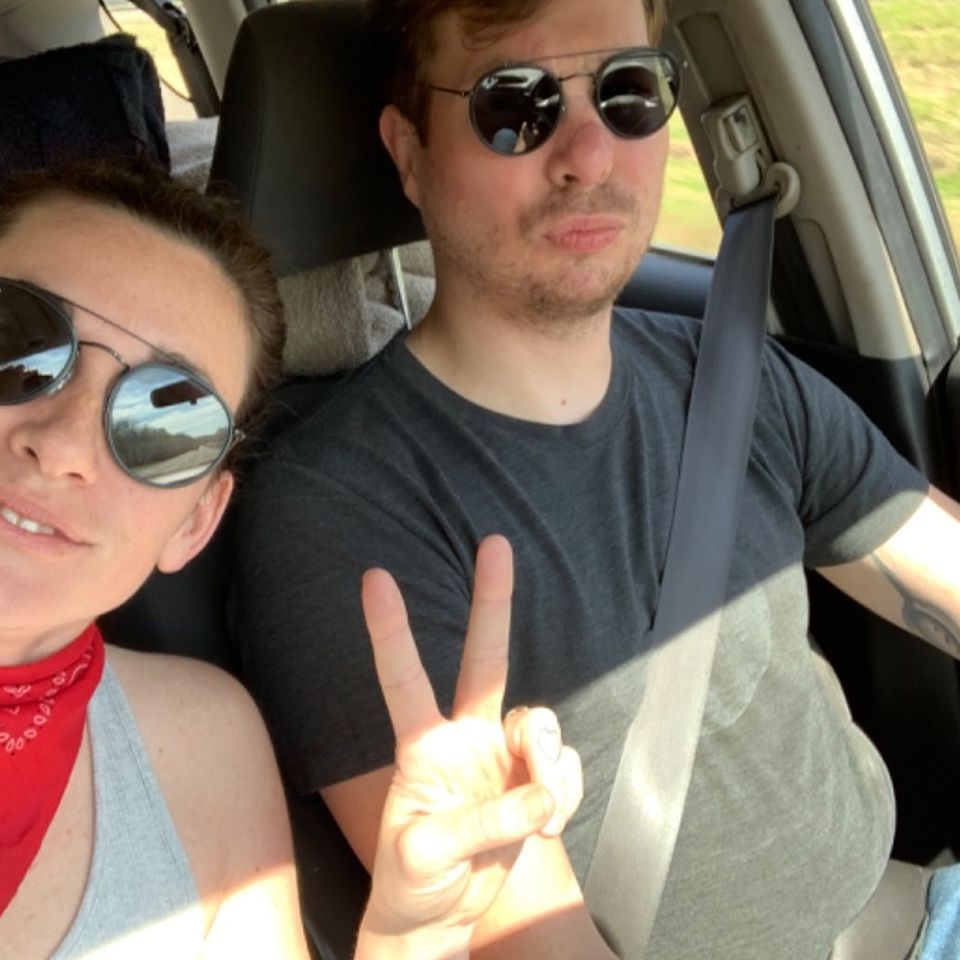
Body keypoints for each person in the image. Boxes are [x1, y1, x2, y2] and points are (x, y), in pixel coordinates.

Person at [232, 0, 960, 958]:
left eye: (629, 94)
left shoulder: (733, 374)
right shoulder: (339, 517)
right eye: (515, 104)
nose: (589, 154)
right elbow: (528, 936)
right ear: (408, 154)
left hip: (921, 905)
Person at [0, 161, 583, 960]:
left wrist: (411, 937)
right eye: (18, 345)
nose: (64, 445)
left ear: (195, 523)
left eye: (167, 420)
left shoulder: (205, 751)